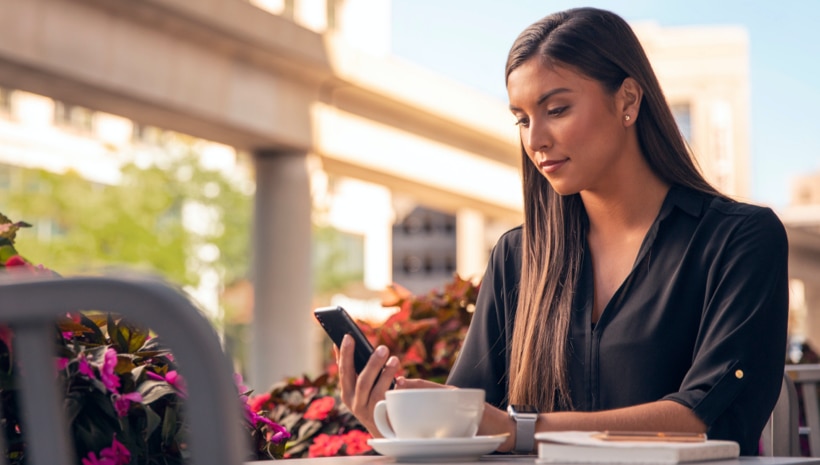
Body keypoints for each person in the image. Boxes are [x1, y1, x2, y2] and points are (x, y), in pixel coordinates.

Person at [337, 7, 788, 456]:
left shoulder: (740, 240)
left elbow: (705, 418)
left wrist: (524, 429)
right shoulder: (517, 257)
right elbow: (472, 426)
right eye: (522, 119)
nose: (535, 140)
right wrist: (398, 422)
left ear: (628, 100)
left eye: (556, 109)